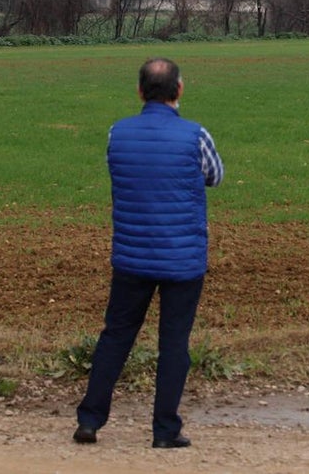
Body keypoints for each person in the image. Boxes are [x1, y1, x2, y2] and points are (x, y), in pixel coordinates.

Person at [75, 57, 224, 449]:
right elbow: (216, 176)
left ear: (140, 91)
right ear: (179, 90)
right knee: (173, 344)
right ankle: (165, 430)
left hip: (132, 256)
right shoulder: (196, 136)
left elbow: (117, 169)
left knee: (116, 337)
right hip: (182, 259)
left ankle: (90, 420)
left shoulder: (117, 133)